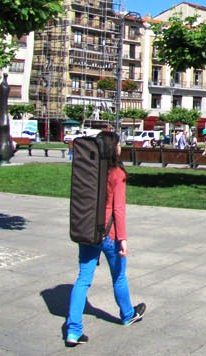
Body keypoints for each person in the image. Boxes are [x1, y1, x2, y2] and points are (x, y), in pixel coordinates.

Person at [62, 122, 141, 346]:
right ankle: (127, 315)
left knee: (83, 279)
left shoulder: (90, 171)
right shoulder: (117, 173)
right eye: (118, 144)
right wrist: (123, 239)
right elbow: (118, 209)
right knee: (119, 276)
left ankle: (73, 330)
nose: (120, 147)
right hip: (110, 234)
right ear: (112, 148)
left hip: (87, 231)